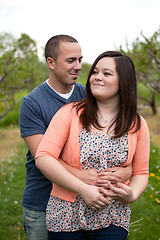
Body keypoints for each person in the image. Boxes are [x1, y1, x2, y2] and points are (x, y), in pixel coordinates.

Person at [19, 35, 131, 240]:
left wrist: (127, 170)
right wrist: (84, 178)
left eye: (80, 60)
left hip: (83, 203)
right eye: (71, 60)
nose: (78, 66)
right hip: (42, 203)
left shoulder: (86, 94)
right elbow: (42, 156)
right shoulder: (32, 104)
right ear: (50, 63)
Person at [35, 51, 150, 240]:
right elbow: (44, 157)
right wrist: (83, 189)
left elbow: (141, 173)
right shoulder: (70, 113)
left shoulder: (136, 124)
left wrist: (132, 195)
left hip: (113, 217)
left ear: (124, 82)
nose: (97, 77)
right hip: (66, 216)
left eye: (107, 73)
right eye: (95, 72)